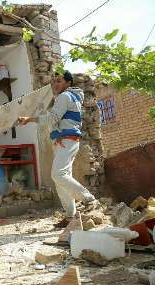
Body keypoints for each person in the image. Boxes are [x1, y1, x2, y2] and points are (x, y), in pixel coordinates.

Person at [17, 70, 96, 228]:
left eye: (59, 81)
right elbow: (60, 120)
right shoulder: (69, 97)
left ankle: (88, 198)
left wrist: (29, 119)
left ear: (68, 83)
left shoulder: (65, 96)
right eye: (53, 81)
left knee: (58, 174)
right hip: (64, 140)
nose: (55, 84)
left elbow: (53, 118)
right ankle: (70, 216)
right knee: (61, 179)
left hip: (68, 140)